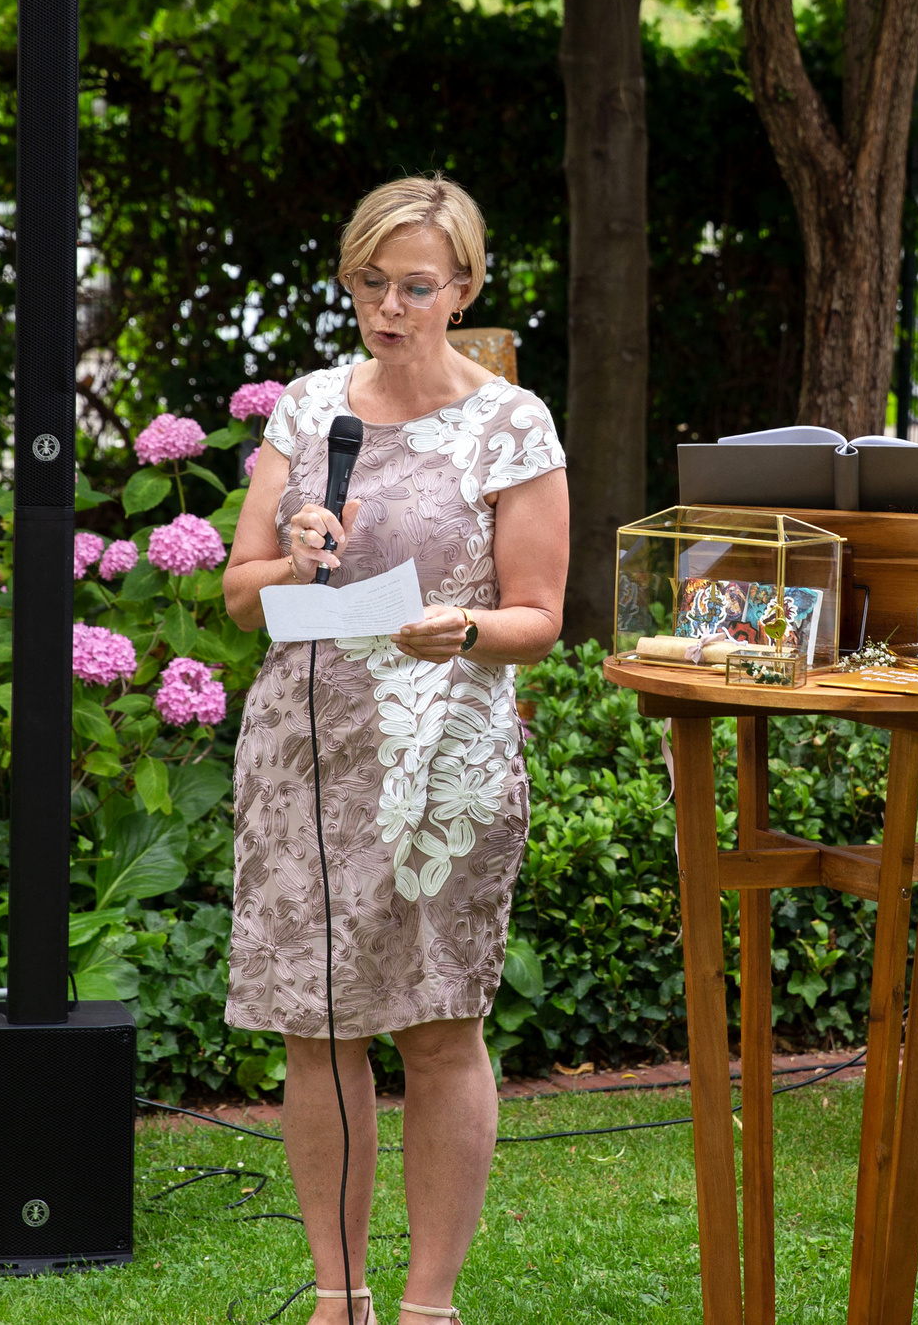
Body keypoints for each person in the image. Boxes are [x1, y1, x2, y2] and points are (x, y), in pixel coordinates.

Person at [220, 176, 569, 1325]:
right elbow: (238, 598)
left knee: (435, 1024)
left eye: (415, 286)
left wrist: (461, 628)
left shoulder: (510, 423)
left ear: (464, 288)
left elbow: (539, 615)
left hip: (440, 757)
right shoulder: (310, 409)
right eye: (370, 283)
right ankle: (338, 1295)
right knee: (318, 1027)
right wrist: (294, 558)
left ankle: (427, 1305)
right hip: (304, 752)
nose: (389, 306)